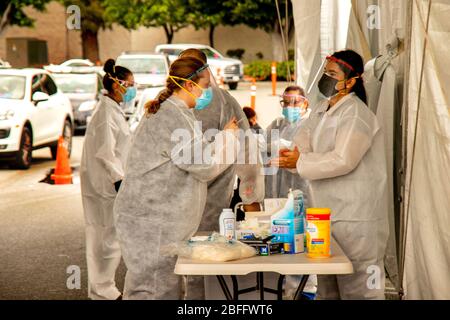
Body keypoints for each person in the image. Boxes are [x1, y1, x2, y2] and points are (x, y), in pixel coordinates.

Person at [113, 57, 241, 300]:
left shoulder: (178, 113)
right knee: (154, 291)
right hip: (151, 221)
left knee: (161, 288)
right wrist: (228, 138)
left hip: (156, 220)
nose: (210, 92)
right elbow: (205, 166)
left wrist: (222, 138)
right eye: (206, 85)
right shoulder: (172, 117)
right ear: (190, 85)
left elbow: (194, 154)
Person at [270, 49, 389, 300]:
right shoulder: (322, 109)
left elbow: (343, 160)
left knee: (359, 291)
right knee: (328, 290)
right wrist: (292, 156)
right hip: (326, 216)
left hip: (357, 220)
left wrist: (300, 160)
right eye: (325, 72)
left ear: (352, 80)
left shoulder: (356, 114)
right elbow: (303, 145)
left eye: (333, 74)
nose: (326, 78)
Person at [178, 49, 264, 233]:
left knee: (208, 250)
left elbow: (247, 153)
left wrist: (251, 200)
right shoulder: (166, 105)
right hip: (173, 202)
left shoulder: (222, 102)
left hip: (213, 201)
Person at [80, 58, 135, 300]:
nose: (133, 89)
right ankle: (102, 291)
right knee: (104, 238)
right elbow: (105, 151)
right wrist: (119, 179)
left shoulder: (113, 109)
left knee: (109, 238)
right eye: (130, 84)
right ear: (117, 85)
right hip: (105, 185)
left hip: (109, 183)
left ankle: (104, 289)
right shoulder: (105, 113)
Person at [265, 85, 310, 202]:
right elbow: (261, 146)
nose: (289, 106)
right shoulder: (277, 125)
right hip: (274, 193)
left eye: (295, 103)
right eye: (285, 103)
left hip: (300, 191)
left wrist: (283, 146)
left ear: (305, 103)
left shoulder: (310, 125)